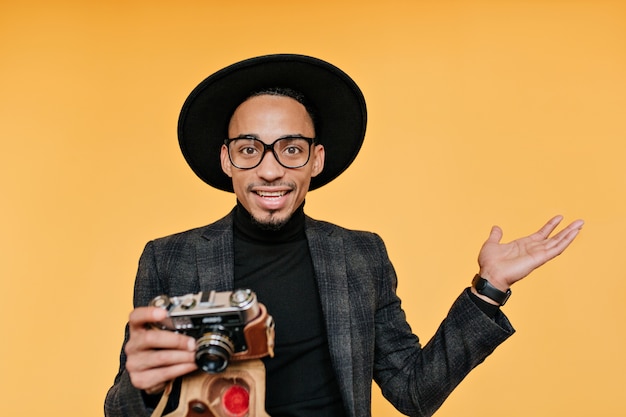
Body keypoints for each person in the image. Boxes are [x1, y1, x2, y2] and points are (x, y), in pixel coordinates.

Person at [104, 54, 584, 417]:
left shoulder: (360, 255)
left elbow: (414, 392)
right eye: (251, 149)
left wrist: (488, 289)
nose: (270, 170)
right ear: (227, 160)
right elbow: (119, 408)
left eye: (290, 148)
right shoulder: (171, 258)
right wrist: (144, 388)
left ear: (315, 160)